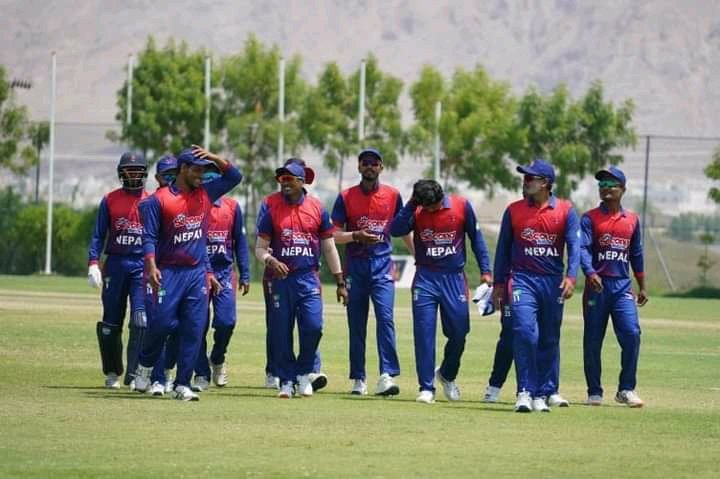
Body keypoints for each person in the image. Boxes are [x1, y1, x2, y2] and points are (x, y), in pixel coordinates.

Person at [133, 145, 242, 401]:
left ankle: (183, 384)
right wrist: (151, 264)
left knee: (193, 329)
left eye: (204, 171)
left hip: (196, 273)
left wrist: (213, 157)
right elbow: (149, 237)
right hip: (168, 272)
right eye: (197, 170)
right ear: (183, 169)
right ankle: (145, 365)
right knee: (160, 324)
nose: (201, 175)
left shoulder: (206, 193)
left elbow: (235, 176)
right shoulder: (159, 200)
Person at [390, 179, 492, 404]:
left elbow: (477, 239)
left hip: (454, 278)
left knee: (459, 332)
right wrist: (411, 204)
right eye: (426, 207)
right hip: (425, 277)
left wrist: (486, 270)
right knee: (424, 334)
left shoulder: (461, 206)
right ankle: (426, 387)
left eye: (434, 206)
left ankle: (447, 374)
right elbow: (395, 230)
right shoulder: (417, 210)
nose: (431, 210)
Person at [492, 159, 579, 413]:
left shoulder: (565, 210)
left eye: (531, 178)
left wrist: (571, 277)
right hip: (522, 280)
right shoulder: (514, 210)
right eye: (525, 177)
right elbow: (502, 249)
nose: (525, 181)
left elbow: (574, 247)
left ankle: (544, 392)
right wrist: (498, 283)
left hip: (552, 282)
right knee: (525, 332)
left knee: (549, 337)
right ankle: (525, 391)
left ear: (546, 183)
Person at [255, 160, 348, 398]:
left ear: (301, 181)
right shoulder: (272, 211)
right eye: (281, 179)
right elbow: (260, 248)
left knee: (314, 327)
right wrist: (271, 261)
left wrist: (340, 282)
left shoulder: (317, 208)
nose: (284, 183)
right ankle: (286, 380)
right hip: (281, 280)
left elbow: (329, 247)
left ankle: (304, 372)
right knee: (281, 331)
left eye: (288, 179)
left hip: (308, 279)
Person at [331, 148, 412, 396]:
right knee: (356, 324)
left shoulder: (393, 195)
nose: (369, 167)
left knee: (385, 319)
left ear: (381, 168)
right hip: (355, 267)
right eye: (365, 163)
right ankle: (359, 379)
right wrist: (356, 235)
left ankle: (387, 376)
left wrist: (419, 257)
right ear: (358, 167)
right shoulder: (345, 197)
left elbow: (403, 230)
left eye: (374, 163)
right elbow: (333, 236)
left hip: (382, 266)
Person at [580, 166, 647, 408]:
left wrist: (642, 285)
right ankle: (594, 391)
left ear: (623, 189)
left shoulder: (632, 220)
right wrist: (590, 273)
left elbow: (636, 254)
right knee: (593, 340)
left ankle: (626, 389)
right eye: (602, 185)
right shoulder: (589, 218)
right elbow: (583, 249)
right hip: (596, 288)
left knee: (632, 333)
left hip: (621, 288)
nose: (606, 189)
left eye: (611, 184)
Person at [88, 152, 149, 389]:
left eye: (137, 170)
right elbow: (98, 235)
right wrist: (93, 262)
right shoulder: (110, 200)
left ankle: (134, 374)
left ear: (144, 173)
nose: (132, 175)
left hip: (142, 266)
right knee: (110, 324)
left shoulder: (152, 201)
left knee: (141, 321)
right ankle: (112, 371)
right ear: (121, 173)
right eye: (128, 170)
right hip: (115, 264)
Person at [191, 164, 251, 391]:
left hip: (224, 271)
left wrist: (245, 273)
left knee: (226, 322)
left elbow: (240, 243)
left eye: (212, 179)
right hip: (198, 272)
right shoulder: (194, 205)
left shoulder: (232, 207)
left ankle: (217, 357)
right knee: (198, 324)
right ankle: (201, 373)